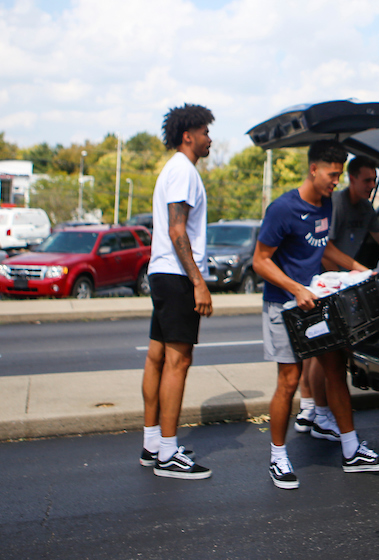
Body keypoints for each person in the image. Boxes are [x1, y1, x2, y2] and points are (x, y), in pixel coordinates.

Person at [253, 139, 379, 490]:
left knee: (336, 369)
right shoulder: (283, 208)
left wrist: (360, 271)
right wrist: (295, 288)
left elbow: (325, 248)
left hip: (317, 302)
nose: (336, 182)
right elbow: (260, 260)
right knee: (289, 382)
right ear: (314, 169)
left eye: (338, 175)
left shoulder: (326, 205)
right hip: (285, 305)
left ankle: (352, 451)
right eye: (332, 175)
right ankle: (277, 457)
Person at [295, 155, 379, 439]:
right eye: (367, 180)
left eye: (374, 180)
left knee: (322, 351)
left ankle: (312, 410)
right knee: (321, 351)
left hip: (344, 281)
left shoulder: (366, 207)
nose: (371, 186)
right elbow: (326, 249)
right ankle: (311, 410)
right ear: (351, 178)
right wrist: (351, 278)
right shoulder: (336, 205)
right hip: (327, 281)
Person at [140, 104, 215, 480]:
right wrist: (199, 282)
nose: (209, 139)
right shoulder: (183, 171)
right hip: (177, 276)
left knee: (157, 357)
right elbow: (177, 230)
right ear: (188, 135)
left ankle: (153, 442)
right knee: (178, 361)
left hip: (161, 272)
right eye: (205, 132)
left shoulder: (173, 169)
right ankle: (168, 454)